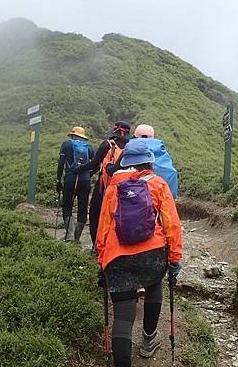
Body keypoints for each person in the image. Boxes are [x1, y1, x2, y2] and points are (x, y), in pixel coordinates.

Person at [96, 139, 183, 367]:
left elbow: (103, 227)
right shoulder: (159, 184)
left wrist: (101, 261)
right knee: (154, 286)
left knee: (123, 317)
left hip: (117, 257)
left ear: (126, 162)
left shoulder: (114, 185)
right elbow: (171, 225)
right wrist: (174, 259)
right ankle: (149, 340)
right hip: (151, 253)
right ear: (150, 162)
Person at [76, 121, 131, 249]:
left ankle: (97, 246)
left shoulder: (107, 144)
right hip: (124, 188)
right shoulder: (131, 147)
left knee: (96, 215)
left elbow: (94, 164)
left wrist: (80, 168)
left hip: (104, 187)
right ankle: (114, 246)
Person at [107, 124, 179, 198]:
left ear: (135, 136)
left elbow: (113, 170)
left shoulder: (130, 148)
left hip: (134, 198)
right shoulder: (161, 150)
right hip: (162, 196)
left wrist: (108, 166)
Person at [56, 126, 95, 242]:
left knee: (67, 206)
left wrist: (58, 180)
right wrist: (89, 174)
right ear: (82, 137)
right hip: (85, 181)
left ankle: (69, 236)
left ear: (73, 135)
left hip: (70, 180)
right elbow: (97, 164)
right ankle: (77, 238)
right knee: (82, 208)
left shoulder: (66, 145)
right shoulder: (89, 148)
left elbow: (61, 163)